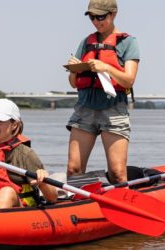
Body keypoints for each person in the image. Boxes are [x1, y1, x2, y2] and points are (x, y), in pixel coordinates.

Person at [65, 0, 139, 184]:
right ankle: (80, 209)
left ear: (113, 14)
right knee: (73, 169)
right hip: (84, 109)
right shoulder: (86, 42)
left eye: (101, 16)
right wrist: (74, 69)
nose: (96, 21)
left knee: (117, 173)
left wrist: (106, 67)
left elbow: (129, 79)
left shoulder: (129, 42)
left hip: (113, 109)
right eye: (92, 17)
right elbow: (73, 84)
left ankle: (122, 207)